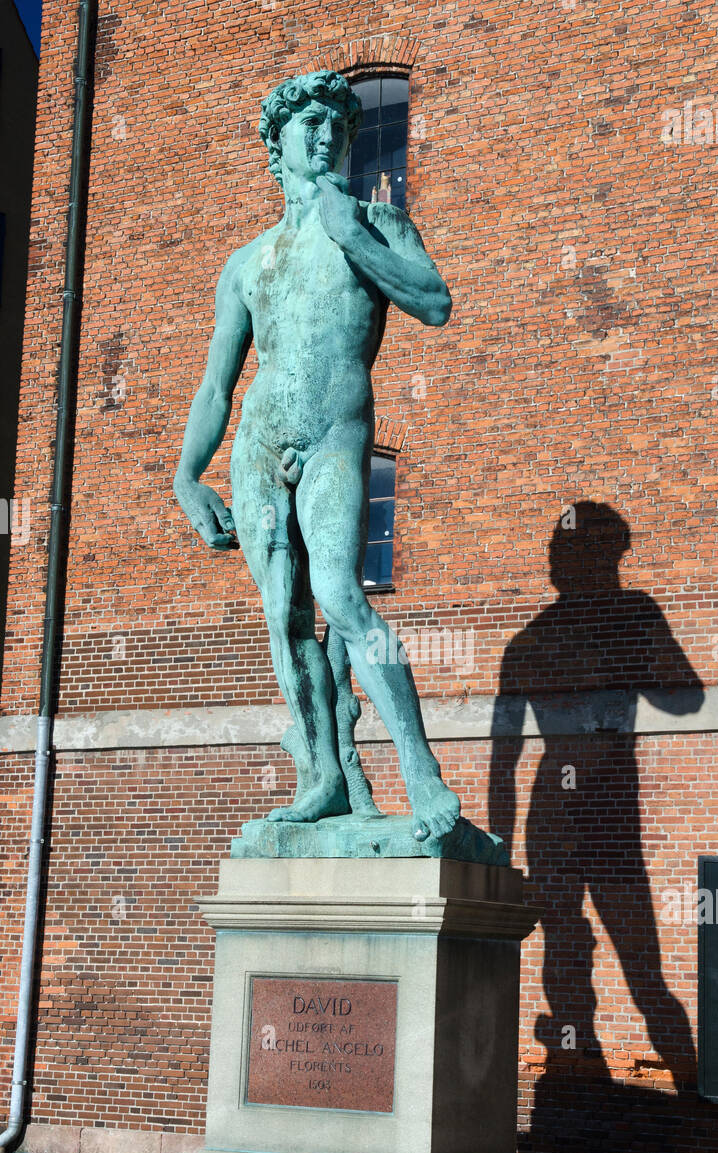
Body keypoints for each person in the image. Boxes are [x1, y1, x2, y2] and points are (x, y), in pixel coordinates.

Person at [174, 70, 461, 841]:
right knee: (284, 616)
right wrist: (184, 477)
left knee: (339, 593)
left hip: (335, 434)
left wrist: (350, 234)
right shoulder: (247, 261)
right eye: (306, 125)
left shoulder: (376, 221)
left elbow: (433, 303)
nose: (323, 135)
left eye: (336, 124)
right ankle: (324, 777)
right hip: (260, 442)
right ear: (278, 145)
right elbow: (215, 385)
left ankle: (420, 770)